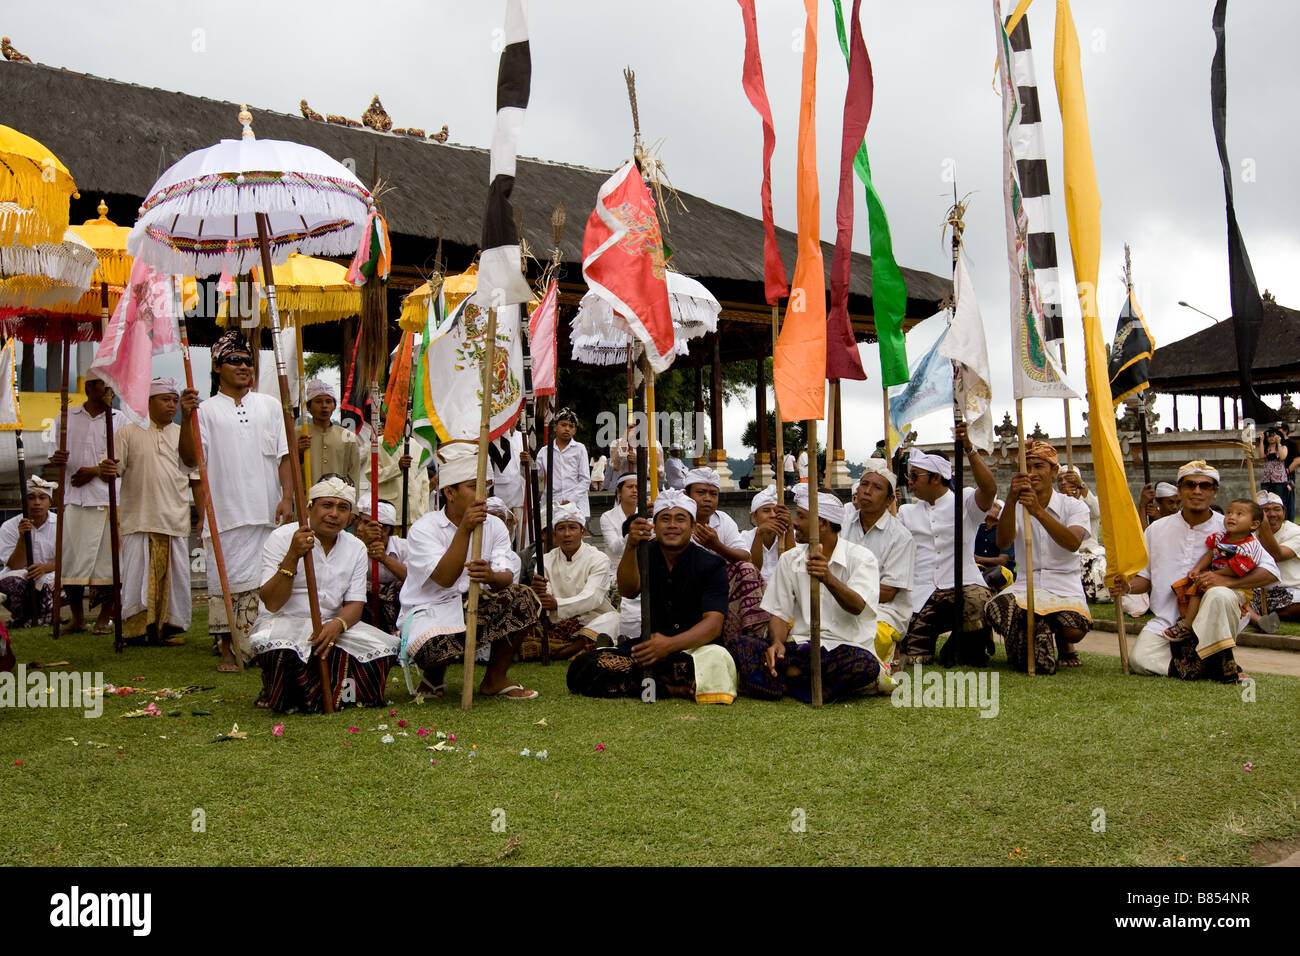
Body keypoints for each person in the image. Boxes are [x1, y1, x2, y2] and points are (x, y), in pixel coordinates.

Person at [179, 329, 294, 672]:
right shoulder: (205, 412)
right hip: (225, 513)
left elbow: (284, 456)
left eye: (247, 361)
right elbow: (190, 462)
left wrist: (287, 497)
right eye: (234, 361)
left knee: (265, 580)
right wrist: (186, 419)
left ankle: (262, 643)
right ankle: (227, 647)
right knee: (223, 581)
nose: (244, 367)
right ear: (217, 366)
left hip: (266, 511)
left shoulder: (269, 406)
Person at [1109, 461, 1276, 682]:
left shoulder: (1231, 527)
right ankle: (1206, 668)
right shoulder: (1156, 530)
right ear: (1180, 490)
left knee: (1219, 594)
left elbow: (1271, 572)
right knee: (1140, 659)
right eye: (1190, 484)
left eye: (1205, 486)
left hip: (1215, 617)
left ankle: (1213, 657)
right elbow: (1145, 579)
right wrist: (1127, 587)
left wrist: (1225, 582)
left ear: (1214, 492)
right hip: (1169, 621)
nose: (1197, 491)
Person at [398, 442, 540, 700]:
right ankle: (433, 678)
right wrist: (464, 529)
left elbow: (506, 575)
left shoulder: (495, 526)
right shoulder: (423, 529)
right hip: (430, 612)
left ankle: (495, 679)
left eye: (485, 488)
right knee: (432, 645)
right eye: (473, 488)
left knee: (523, 598)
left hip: (474, 606)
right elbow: (444, 578)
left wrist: (492, 577)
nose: (482, 496)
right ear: (450, 493)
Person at [566, 489, 737, 702]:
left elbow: (713, 625)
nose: (672, 525)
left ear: (693, 526)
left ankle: (652, 684)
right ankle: (670, 688)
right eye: (665, 518)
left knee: (716, 660)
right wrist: (631, 545)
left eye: (680, 519)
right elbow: (627, 590)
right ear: (654, 525)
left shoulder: (711, 564)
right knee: (584, 666)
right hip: (651, 648)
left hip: (694, 650)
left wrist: (669, 645)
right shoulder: (645, 553)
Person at [249, 477, 399, 712]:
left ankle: (327, 696)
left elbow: (355, 605)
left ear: (351, 518)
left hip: (331, 625)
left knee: (381, 652)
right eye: (327, 505)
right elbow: (272, 602)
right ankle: (286, 692)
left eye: (342, 508)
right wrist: (293, 555)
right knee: (286, 655)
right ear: (309, 509)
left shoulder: (356, 547)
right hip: (283, 622)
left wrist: (337, 625)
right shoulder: (281, 538)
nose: (334, 514)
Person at [729, 485, 883, 703]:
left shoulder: (861, 558)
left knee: (865, 665)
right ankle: (802, 680)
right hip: (801, 648)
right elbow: (779, 614)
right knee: (741, 645)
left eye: (801, 516)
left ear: (823, 523)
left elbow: (858, 606)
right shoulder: (790, 559)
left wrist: (828, 578)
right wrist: (777, 643)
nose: (794, 523)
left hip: (844, 648)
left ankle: (786, 681)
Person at [984, 441, 1092, 673]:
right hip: (1026, 584)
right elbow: (1003, 543)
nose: (1032, 473)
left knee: (1073, 628)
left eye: (1039, 466)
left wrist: (1038, 512)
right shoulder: (1014, 506)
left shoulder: (1073, 506)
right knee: (997, 609)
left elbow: (1072, 543)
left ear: (1054, 471)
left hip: (1064, 585)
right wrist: (1011, 500)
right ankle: (1034, 634)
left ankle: (1059, 639)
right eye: (1027, 467)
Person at [897, 424, 997, 667]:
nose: (909, 482)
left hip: (963, 587)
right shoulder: (906, 512)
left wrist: (970, 449)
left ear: (936, 478)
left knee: (977, 604)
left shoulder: (965, 502)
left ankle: (966, 643)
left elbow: (990, 489)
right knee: (916, 659)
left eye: (915, 476)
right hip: (922, 594)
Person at [108, 377, 193, 645]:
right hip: (140, 517)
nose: (171, 405)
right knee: (137, 576)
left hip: (174, 516)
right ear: (148, 402)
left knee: (174, 579)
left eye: (174, 400)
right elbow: (113, 470)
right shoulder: (127, 432)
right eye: (165, 399)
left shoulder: (184, 434)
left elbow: (196, 475)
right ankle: (135, 629)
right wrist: (105, 470)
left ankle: (168, 627)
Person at [46, 368, 125, 634]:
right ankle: (77, 618)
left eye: (112, 387)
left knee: (110, 564)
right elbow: (54, 457)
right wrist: (56, 460)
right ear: (90, 387)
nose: (110, 392)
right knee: (71, 562)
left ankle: (104, 618)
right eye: (105, 386)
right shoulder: (65, 418)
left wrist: (93, 470)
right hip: (75, 500)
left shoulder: (120, 420)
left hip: (107, 501)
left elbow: (121, 461)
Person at [842, 459, 915, 665]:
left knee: (865, 638)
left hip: (884, 611)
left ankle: (891, 654)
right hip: (841, 603)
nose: (867, 491)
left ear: (889, 499)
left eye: (876, 487)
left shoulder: (901, 537)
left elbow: (888, 593)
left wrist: (841, 589)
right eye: (864, 484)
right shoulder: (842, 526)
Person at [684, 467, 769, 640]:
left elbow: (747, 558)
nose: (707, 498)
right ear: (687, 495)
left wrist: (716, 546)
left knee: (746, 569)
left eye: (713, 494)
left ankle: (754, 636)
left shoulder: (722, 519)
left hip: (719, 588)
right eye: (701, 492)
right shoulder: (676, 519)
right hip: (684, 586)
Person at [526, 502, 619, 660]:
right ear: (554, 534)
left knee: (614, 619)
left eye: (572, 528)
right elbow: (545, 599)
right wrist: (538, 594)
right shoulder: (545, 561)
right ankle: (584, 647)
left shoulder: (599, 559)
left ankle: (565, 651)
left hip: (592, 619)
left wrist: (557, 604)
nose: (567, 534)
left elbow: (592, 597)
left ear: (583, 531)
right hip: (558, 622)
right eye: (561, 528)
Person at [1165, 498, 1267, 643]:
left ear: (1254, 524)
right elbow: (1211, 553)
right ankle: (1188, 623)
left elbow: (1235, 570)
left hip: (1237, 587)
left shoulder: (1250, 547)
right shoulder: (1221, 537)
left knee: (1213, 595)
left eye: (1239, 514)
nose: (1231, 516)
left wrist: (1212, 575)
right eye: (1229, 512)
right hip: (1214, 578)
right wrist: (1198, 568)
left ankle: (1194, 627)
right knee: (1196, 589)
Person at [0, 476, 59, 627]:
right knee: (12, 582)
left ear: (50, 502)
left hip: (52, 574)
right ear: (23, 502)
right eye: (31, 498)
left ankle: (42, 618)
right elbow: (14, 565)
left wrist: (45, 568)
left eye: (42, 497)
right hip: (22, 576)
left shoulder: (61, 524)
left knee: (59, 583)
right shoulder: (9, 527)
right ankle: (25, 617)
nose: (37, 503)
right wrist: (23, 537)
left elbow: (71, 560)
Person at [297, 378, 362, 491]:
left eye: (328, 401)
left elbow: (354, 475)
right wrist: (298, 453)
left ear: (334, 406)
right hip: (306, 501)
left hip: (337, 500)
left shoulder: (347, 437)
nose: (324, 406)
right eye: (318, 401)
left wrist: (351, 505)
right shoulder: (298, 434)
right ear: (308, 407)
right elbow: (286, 470)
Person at [599, 473, 642, 642]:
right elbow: (615, 548)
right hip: (615, 571)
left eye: (638, 487)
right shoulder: (607, 517)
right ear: (619, 491)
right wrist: (632, 535)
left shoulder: (646, 513)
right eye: (629, 487)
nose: (634, 491)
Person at [354, 499, 407, 634]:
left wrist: (384, 559)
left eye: (366, 523)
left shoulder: (404, 548)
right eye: (359, 521)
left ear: (385, 529)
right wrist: (362, 547)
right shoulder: (351, 546)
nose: (359, 528)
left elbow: (413, 580)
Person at [1249, 490, 1300, 631]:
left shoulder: (1295, 532)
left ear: (1284, 512)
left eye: (1276, 509)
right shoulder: (1248, 533)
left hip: (1290, 592)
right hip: (1257, 592)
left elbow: (1277, 555)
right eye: (1265, 510)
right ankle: (1258, 620)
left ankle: (1263, 615)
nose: (1272, 514)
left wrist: (1263, 527)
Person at [1057, 468, 1107, 601]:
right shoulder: (1056, 504)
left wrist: (1081, 486)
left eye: (1066, 479)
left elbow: (1096, 512)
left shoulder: (1091, 501)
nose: (1062, 483)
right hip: (1066, 554)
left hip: (1091, 553)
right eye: (1059, 480)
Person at [537, 407, 591, 520]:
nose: (567, 429)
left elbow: (585, 480)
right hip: (551, 503)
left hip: (576, 504)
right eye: (563, 425)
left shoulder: (580, 449)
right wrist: (525, 464)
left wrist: (569, 500)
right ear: (555, 427)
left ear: (575, 430)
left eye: (571, 426)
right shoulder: (545, 451)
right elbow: (533, 475)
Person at [737, 485, 792, 583]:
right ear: (754, 516)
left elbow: (793, 567)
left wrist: (790, 529)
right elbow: (752, 572)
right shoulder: (743, 538)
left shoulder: (791, 535)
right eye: (766, 511)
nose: (772, 515)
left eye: (776, 511)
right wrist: (759, 534)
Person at [975, 499, 1015, 591]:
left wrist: (977, 559)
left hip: (999, 573)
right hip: (978, 569)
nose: (990, 507)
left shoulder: (1005, 532)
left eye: (995, 506)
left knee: (996, 572)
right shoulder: (978, 529)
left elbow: (1002, 560)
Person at [1259, 427, 1291, 521]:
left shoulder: (1283, 447)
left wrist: (1278, 443)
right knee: (1264, 499)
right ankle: (1265, 519)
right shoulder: (1266, 449)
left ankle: (1282, 519)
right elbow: (1261, 456)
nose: (1271, 438)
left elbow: (1282, 457)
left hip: (1279, 478)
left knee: (1279, 500)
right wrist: (1261, 441)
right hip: (1267, 478)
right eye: (1269, 437)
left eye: (1273, 436)